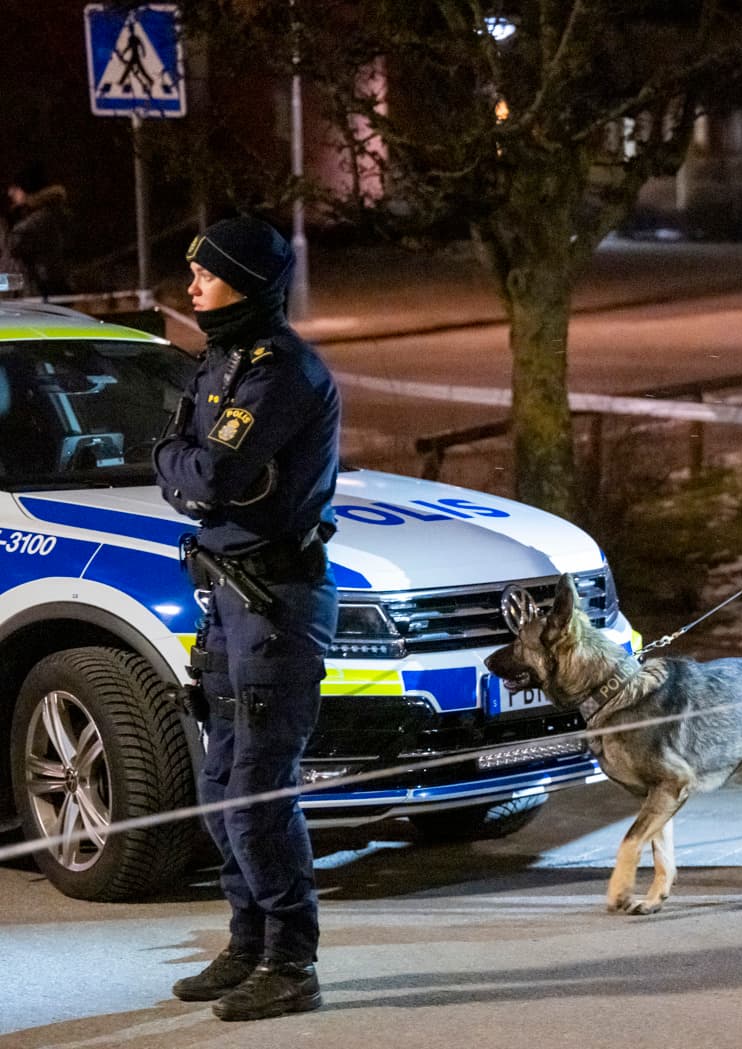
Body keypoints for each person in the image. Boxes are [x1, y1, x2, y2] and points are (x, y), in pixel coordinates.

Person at [155, 215, 340, 1020]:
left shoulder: (284, 371)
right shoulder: (222, 360)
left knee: (258, 791)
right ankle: (249, 940)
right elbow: (173, 459)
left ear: (246, 282)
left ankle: (292, 961)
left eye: (206, 273)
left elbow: (211, 477)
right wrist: (184, 469)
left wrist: (185, 470)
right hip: (228, 601)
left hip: (276, 603)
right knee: (218, 779)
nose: (191, 286)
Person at [6, 162, 72, 298]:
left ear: (27, 189)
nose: (10, 192)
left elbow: (19, 279)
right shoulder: (58, 216)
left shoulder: (28, 229)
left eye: (16, 187)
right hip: (59, 299)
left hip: (39, 302)